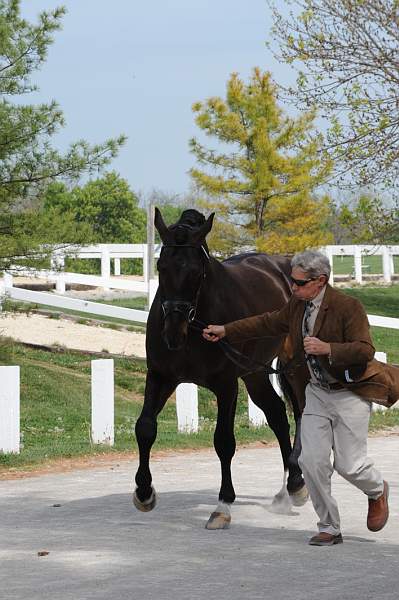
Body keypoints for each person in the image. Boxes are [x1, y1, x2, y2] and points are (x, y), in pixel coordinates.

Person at [203, 250, 397, 546]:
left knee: (349, 465)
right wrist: (226, 330)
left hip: (349, 394)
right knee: (310, 461)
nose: (292, 287)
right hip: (317, 394)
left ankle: (377, 490)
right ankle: (330, 527)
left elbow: (364, 350)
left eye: (298, 283)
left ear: (320, 281)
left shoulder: (348, 307)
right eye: (292, 282)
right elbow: (266, 322)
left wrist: (328, 348)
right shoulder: (296, 305)